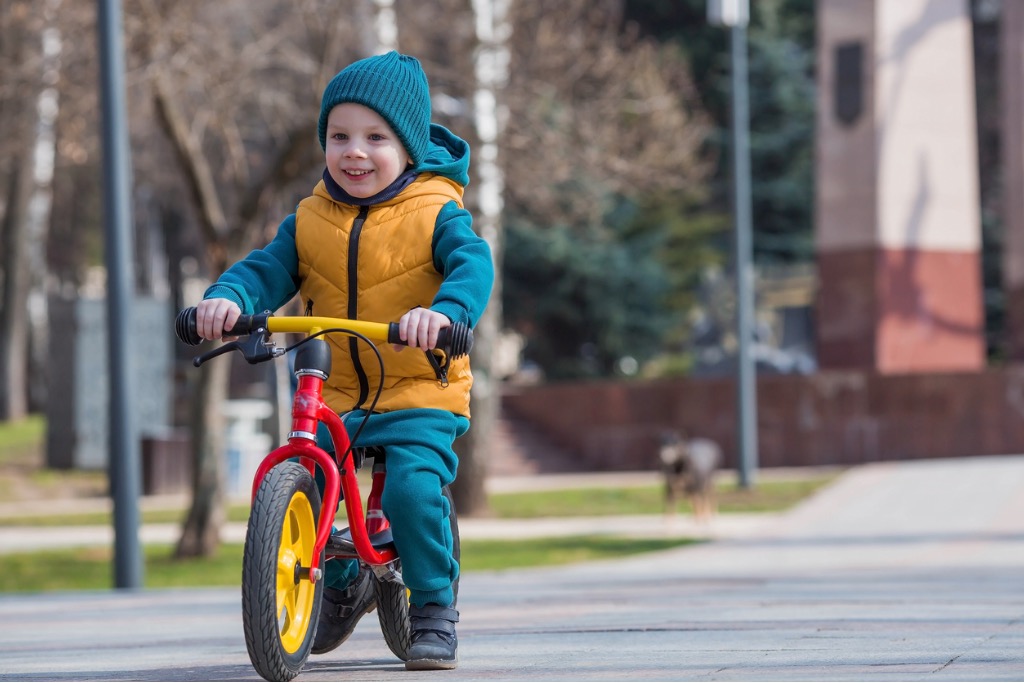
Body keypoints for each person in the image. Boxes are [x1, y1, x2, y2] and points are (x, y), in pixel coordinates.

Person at [194, 50, 493, 670]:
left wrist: (444, 314)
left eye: (375, 137)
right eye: (339, 136)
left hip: (418, 387)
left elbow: (473, 264)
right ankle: (338, 581)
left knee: (410, 490)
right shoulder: (310, 219)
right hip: (336, 389)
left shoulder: (437, 210)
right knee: (316, 474)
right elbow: (265, 271)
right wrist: (226, 298)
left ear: (408, 147)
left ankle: (434, 604)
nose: (354, 151)